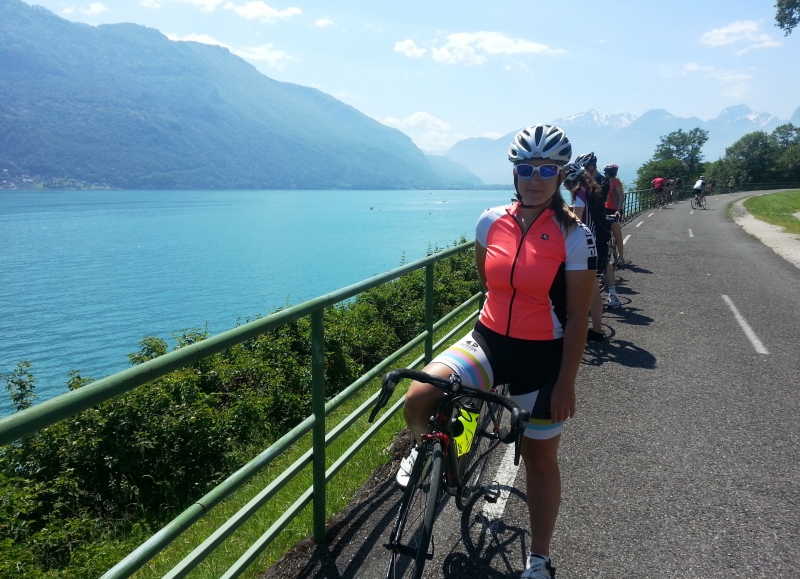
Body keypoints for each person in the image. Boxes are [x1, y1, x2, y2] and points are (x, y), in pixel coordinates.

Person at [398, 125, 596, 579]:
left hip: (542, 358)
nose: (536, 178)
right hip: (488, 340)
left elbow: (579, 316)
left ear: (562, 175)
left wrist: (567, 381)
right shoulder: (489, 221)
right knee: (417, 398)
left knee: (540, 458)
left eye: (548, 169)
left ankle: (539, 558)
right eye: (526, 168)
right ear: (514, 172)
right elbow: (487, 284)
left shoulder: (574, 235)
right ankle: (432, 444)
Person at [565, 162, 606, 342]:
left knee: (579, 290)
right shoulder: (592, 190)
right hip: (597, 243)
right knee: (594, 291)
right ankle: (597, 330)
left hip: (584, 246)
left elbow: (576, 219)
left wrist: (561, 209)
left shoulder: (579, 191)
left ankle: (576, 330)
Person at [576, 152, 619, 308]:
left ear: (591, 167)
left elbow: (594, 204)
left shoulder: (602, 182)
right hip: (590, 226)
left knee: (603, 261)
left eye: (583, 169)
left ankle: (613, 296)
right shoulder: (587, 184)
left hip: (598, 226)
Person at [604, 163, 626, 267]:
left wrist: (618, 210)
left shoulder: (616, 182)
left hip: (615, 210)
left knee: (617, 234)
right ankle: (608, 252)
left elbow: (622, 198)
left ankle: (621, 257)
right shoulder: (605, 183)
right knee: (605, 233)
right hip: (606, 209)